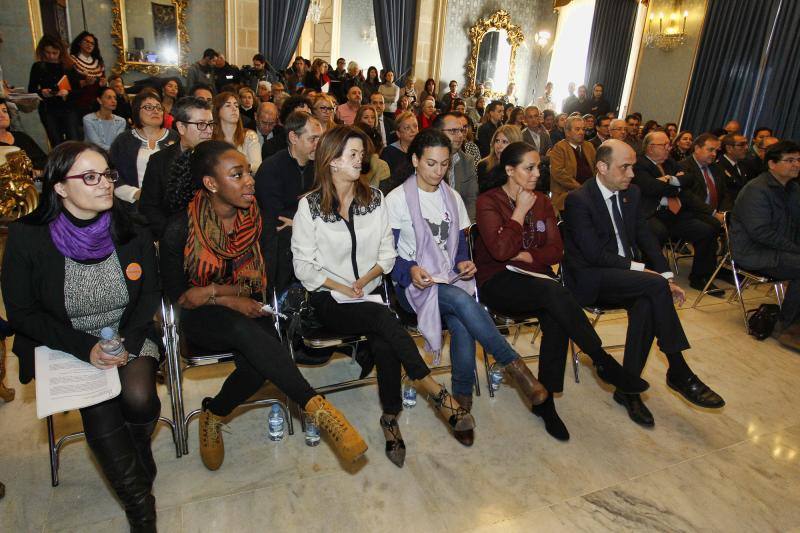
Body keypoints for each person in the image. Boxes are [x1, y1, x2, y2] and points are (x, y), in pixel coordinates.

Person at [159, 140, 367, 470]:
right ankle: (322, 411)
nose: (249, 181)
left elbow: (263, 281)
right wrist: (226, 297)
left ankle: (213, 413)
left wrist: (222, 293)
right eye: (237, 175)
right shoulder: (180, 227)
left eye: (248, 172)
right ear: (211, 184)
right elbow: (182, 296)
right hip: (200, 320)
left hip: (248, 306)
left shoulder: (255, 220)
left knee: (263, 360)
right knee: (251, 336)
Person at [291, 125, 475, 465]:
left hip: (370, 292)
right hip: (328, 298)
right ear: (331, 161)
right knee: (384, 319)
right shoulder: (310, 206)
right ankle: (431, 389)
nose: (361, 160)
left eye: (363, 154)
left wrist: (365, 279)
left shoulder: (373, 200)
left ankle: (390, 418)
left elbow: (387, 256)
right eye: (353, 155)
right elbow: (304, 267)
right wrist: (344, 286)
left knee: (384, 335)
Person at [2, 142, 162, 530]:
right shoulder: (28, 238)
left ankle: (136, 452)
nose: (104, 184)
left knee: (139, 399)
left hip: (127, 331)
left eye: (107, 174)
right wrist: (84, 348)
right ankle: (141, 509)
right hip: (65, 340)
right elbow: (22, 313)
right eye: (89, 177)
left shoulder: (132, 226)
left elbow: (149, 297)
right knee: (101, 407)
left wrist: (126, 340)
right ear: (59, 187)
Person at [475, 141, 649, 439]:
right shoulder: (489, 201)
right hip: (498, 282)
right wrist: (519, 211)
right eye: (528, 168)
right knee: (554, 295)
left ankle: (546, 402)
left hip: (537, 280)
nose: (536, 173)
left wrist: (531, 257)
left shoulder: (542, 200)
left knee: (555, 309)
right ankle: (601, 360)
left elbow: (557, 250)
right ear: (509, 170)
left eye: (538, 167)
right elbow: (501, 251)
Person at [389, 130, 553, 437]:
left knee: (463, 318)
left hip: (448, 280)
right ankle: (515, 368)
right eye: (430, 164)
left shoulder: (450, 197)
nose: (437, 172)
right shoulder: (397, 200)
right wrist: (410, 269)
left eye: (443, 164)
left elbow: (461, 246)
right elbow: (389, 256)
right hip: (413, 285)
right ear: (414, 160)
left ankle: (460, 405)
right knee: (466, 304)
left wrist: (463, 262)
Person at [563, 140, 725, 427]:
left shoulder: (631, 194)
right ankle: (678, 369)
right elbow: (594, 255)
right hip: (592, 278)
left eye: (633, 167)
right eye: (624, 167)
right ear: (602, 167)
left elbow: (646, 237)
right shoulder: (579, 199)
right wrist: (647, 274)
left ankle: (628, 389)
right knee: (652, 289)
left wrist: (664, 275)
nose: (631, 174)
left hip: (628, 278)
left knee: (647, 303)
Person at [633, 131, 722, 296]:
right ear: (650, 147)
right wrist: (676, 182)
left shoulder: (670, 163)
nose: (669, 148)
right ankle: (653, 278)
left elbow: (689, 179)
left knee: (707, 230)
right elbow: (651, 188)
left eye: (669, 144)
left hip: (674, 212)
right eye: (664, 145)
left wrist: (669, 180)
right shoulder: (639, 164)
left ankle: (700, 277)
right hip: (651, 212)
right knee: (657, 232)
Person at [730, 141, 800, 351]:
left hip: (780, 248)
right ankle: (787, 326)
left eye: (798, 160)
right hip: (754, 252)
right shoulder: (756, 190)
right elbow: (761, 233)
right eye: (790, 160)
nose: (796, 165)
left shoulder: (793, 188)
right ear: (772, 164)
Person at [255, 111, 321, 290]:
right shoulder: (271, 168)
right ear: (293, 137)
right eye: (312, 139)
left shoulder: (320, 167)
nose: (318, 145)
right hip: (278, 237)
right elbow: (275, 216)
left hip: (311, 229)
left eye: (319, 139)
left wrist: (300, 222)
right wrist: (305, 222)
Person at [139, 96, 213, 239]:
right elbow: (148, 207)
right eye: (201, 124)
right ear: (181, 127)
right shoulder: (159, 161)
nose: (208, 130)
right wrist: (173, 234)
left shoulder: (220, 159)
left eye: (210, 124)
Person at [109, 89, 179, 204]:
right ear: (137, 111)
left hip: (170, 204)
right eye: (148, 107)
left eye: (158, 107)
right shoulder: (124, 140)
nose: (155, 111)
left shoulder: (174, 137)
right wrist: (134, 193)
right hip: (134, 206)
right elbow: (112, 173)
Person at [28, 34, 79, 146]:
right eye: (47, 52)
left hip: (68, 108)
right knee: (56, 142)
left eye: (54, 53)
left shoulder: (68, 67)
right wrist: (41, 92)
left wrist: (67, 93)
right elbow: (31, 91)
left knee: (73, 140)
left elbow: (78, 90)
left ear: (61, 52)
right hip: (48, 110)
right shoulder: (38, 67)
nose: (51, 56)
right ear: (42, 51)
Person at [430, 112, 479, 220]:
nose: (461, 135)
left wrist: (466, 229)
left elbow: (471, 199)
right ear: (438, 133)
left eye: (461, 130)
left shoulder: (467, 161)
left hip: (459, 222)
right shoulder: (426, 161)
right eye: (453, 131)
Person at [677, 133, 727, 235]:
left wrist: (723, 212)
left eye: (716, 151)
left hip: (713, 213)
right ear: (697, 148)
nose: (714, 154)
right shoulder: (683, 167)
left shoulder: (716, 168)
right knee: (713, 227)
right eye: (710, 150)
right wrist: (713, 213)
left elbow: (725, 193)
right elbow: (689, 198)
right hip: (691, 213)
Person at [549, 115, 596, 212]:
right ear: (567, 132)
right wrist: (581, 188)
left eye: (583, 129)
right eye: (577, 129)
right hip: (567, 194)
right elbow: (558, 173)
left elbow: (597, 168)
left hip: (590, 193)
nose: (581, 132)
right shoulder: (559, 148)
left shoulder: (589, 146)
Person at [211, 92, 261, 172]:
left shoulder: (249, 136)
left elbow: (257, 166)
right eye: (228, 105)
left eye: (236, 106)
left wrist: (235, 169)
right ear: (217, 111)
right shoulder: (211, 138)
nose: (234, 109)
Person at [68, 31, 107, 124]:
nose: (89, 45)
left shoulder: (98, 63)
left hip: (96, 105)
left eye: (92, 43)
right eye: (86, 42)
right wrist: (84, 83)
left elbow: (103, 84)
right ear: (79, 43)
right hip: (78, 104)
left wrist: (103, 84)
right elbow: (68, 84)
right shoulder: (71, 60)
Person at [0, 98, 48, 171]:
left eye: (5, 111)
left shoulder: (21, 136)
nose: (2, 115)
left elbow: (45, 161)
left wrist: (38, 172)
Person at [477, 124, 522, 193]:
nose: (499, 146)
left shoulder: (522, 167)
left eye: (504, 142)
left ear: (515, 145)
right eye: (497, 141)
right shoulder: (484, 165)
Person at [380, 111, 418, 188]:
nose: (413, 130)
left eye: (415, 126)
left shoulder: (424, 149)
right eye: (407, 128)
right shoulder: (389, 152)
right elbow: (385, 183)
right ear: (398, 134)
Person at [717, 133, 755, 209]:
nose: (747, 147)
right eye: (741, 145)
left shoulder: (743, 164)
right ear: (729, 148)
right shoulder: (718, 166)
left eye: (747, 144)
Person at [83, 86, 126, 151]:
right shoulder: (88, 119)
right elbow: (96, 145)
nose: (113, 101)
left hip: (113, 155)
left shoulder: (121, 121)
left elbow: (117, 143)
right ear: (99, 100)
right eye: (109, 98)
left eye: (115, 98)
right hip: (92, 155)